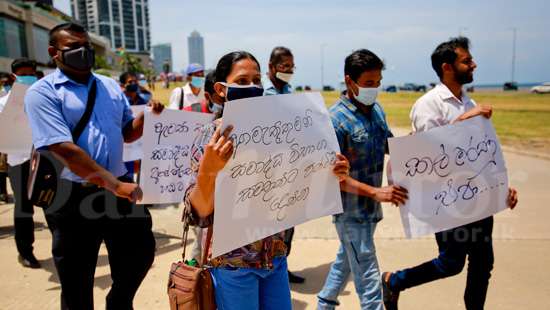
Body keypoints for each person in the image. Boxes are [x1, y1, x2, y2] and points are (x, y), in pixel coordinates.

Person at [183, 50, 350, 310]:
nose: (251, 87)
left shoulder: (279, 132)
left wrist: (332, 173)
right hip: (232, 265)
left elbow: (298, 181)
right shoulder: (208, 139)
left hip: (274, 257)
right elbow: (199, 211)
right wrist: (210, 170)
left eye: (256, 80)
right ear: (220, 89)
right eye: (241, 81)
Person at [24, 22, 164, 309]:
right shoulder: (42, 93)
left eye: (86, 46)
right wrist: (114, 184)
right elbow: (64, 149)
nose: (83, 52)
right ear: (54, 52)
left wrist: (146, 117)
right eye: (73, 47)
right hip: (74, 196)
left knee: (140, 254)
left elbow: (127, 132)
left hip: (120, 191)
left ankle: (119, 301)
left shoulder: (110, 86)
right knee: (77, 279)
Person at [381, 37, 519, 310]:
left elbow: (482, 154)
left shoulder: (469, 101)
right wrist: (468, 119)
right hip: (446, 201)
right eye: (466, 61)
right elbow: (429, 153)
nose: (473, 64)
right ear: (447, 67)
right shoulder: (428, 104)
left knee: (483, 263)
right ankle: (394, 281)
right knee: (451, 263)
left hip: (478, 197)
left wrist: (501, 187)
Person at [317, 49, 409, 310]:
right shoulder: (334, 121)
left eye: (378, 82)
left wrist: (421, 144)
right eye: (369, 83)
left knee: (348, 259)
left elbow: (390, 144)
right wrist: (376, 192)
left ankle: (324, 304)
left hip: (370, 210)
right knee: (368, 276)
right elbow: (332, 177)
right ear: (350, 81)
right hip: (350, 212)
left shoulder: (377, 110)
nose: (375, 88)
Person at [263, 46, 304, 284]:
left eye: (291, 66)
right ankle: (268, 267)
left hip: (291, 166)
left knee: (289, 223)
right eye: (284, 66)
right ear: (271, 67)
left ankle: (282, 266)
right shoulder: (262, 93)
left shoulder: (290, 91)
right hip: (269, 169)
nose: (288, 71)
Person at [0, 58, 41, 267]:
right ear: (14, 76)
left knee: (53, 204)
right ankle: (25, 251)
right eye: (23, 73)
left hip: (44, 157)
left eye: (31, 73)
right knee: (24, 207)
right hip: (19, 159)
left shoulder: (43, 98)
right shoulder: (2, 103)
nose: (28, 77)